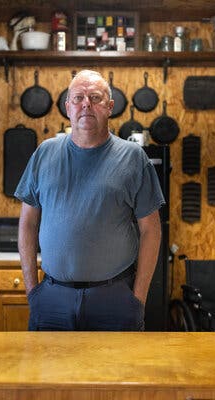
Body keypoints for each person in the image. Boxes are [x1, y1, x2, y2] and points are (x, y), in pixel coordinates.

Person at [14, 70, 165, 331]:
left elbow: (151, 230)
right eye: (79, 97)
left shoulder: (133, 158)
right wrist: (32, 291)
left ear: (110, 107)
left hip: (114, 299)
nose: (86, 104)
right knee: (51, 372)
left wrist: (137, 298)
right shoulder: (44, 153)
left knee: (115, 372)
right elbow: (27, 224)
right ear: (68, 107)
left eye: (95, 97)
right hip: (51, 300)